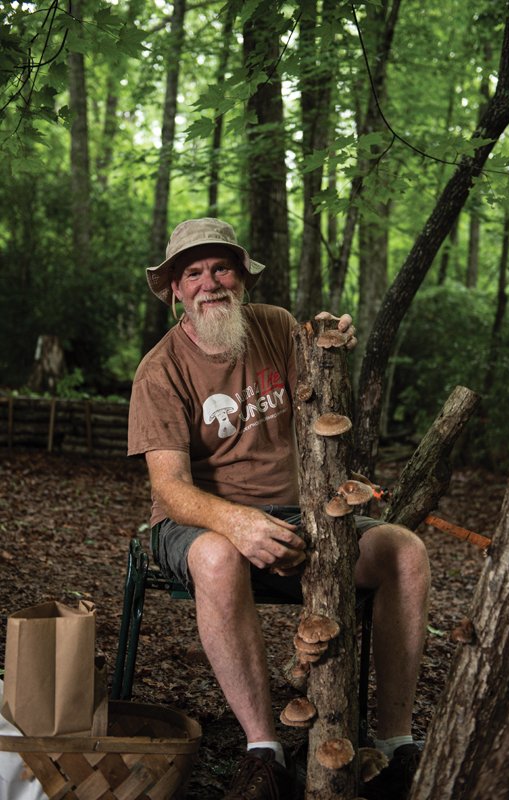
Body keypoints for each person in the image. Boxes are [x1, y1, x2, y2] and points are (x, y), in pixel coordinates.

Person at [128, 217, 431, 800]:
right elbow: (170, 489)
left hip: (301, 519)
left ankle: (395, 745)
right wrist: (238, 521)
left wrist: (330, 341)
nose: (209, 282)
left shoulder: (273, 327)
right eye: (193, 273)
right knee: (217, 556)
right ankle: (262, 750)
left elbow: (321, 384)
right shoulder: (159, 370)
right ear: (175, 290)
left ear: (241, 278)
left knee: (405, 552)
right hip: (198, 523)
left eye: (221, 268)